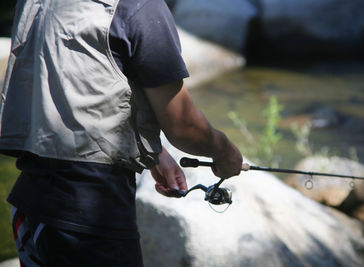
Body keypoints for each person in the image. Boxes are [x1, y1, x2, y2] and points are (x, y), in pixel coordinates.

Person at [0, 0, 243, 266]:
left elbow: (72, 80)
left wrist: (153, 151)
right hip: (90, 217)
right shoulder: (139, 7)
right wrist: (225, 152)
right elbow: (184, 128)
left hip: (32, 205)